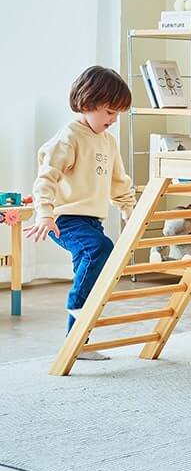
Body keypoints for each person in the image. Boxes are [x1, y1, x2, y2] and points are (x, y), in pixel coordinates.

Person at [25, 66, 136, 359]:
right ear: (88, 103)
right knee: (99, 249)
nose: (113, 120)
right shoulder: (69, 137)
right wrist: (44, 213)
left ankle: (77, 342)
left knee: (93, 271)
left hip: (92, 222)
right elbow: (46, 178)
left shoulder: (108, 142)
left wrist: (129, 211)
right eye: (109, 112)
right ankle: (77, 309)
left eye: (117, 114)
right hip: (64, 220)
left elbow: (119, 182)